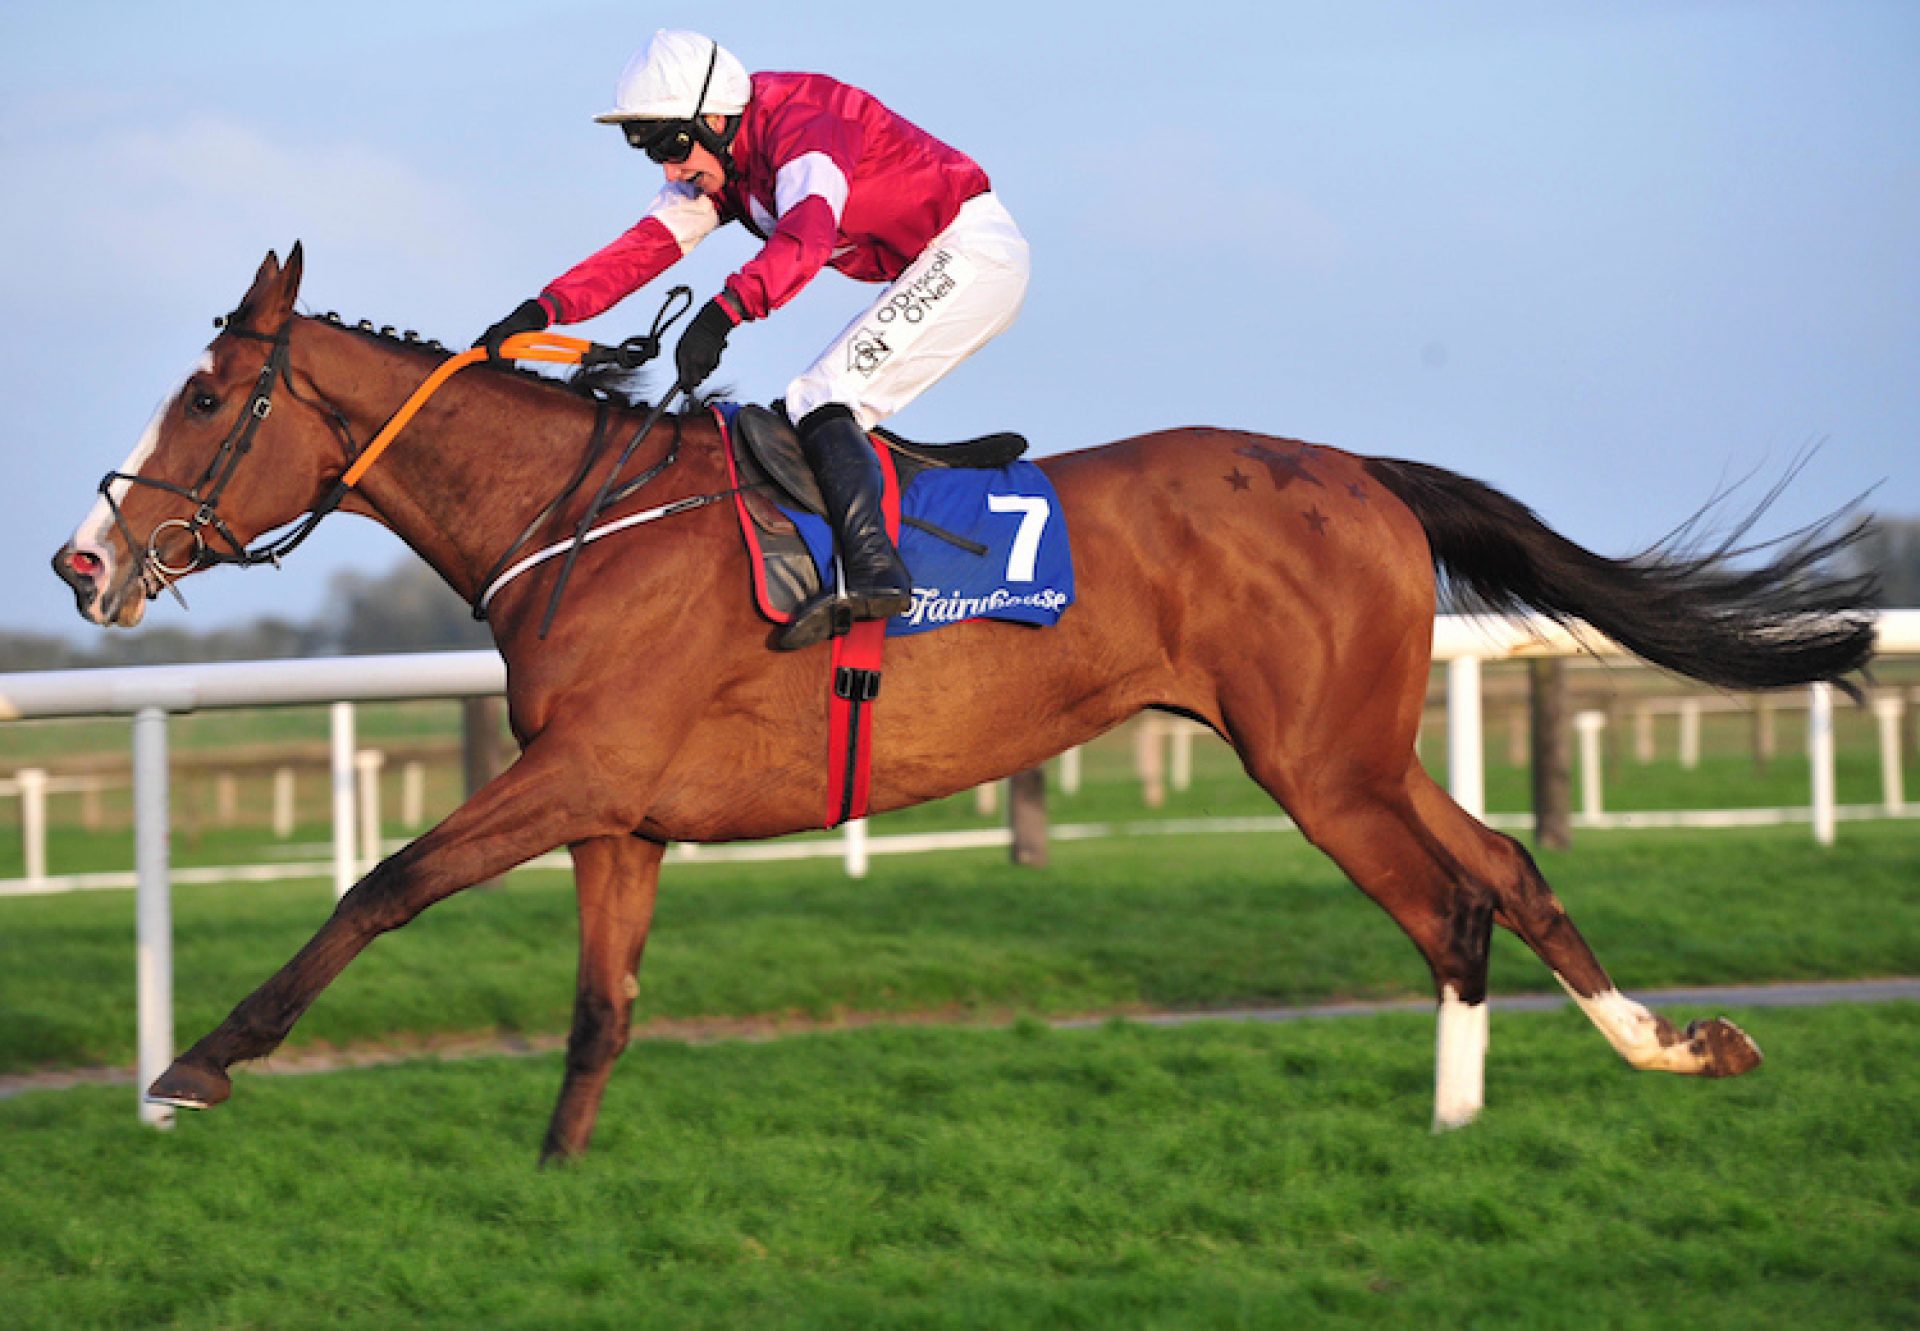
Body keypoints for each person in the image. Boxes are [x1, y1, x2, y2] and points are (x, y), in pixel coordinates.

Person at [476, 29, 1031, 650]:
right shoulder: (726, 159)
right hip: (934, 259)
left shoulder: (803, 127)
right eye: (653, 152)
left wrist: (722, 314)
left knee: (821, 396)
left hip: (972, 255)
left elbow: (807, 238)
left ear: (714, 117)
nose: (670, 168)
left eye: (672, 145)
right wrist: (541, 310)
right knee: (812, 401)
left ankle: (876, 573)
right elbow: (646, 247)